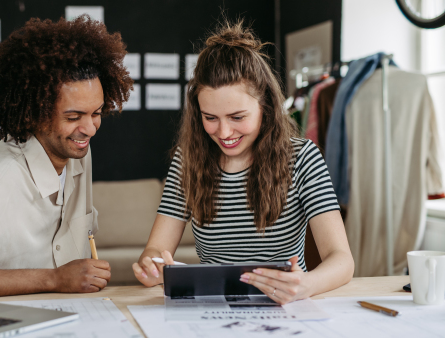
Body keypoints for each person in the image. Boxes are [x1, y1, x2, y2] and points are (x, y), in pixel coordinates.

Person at [132, 21, 354, 304]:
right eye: (210, 118)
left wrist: (306, 285)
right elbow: (156, 248)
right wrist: (152, 266)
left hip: (285, 308)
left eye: (237, 117)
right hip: (212, 307)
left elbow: (342, 260)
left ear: (266, 107)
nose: (224, 133)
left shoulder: (303, 158)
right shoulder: (187, 160)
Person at [0, 16, 133, 297]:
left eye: (96, 113)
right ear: (36, 114)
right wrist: (53, 279)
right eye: (73, 117)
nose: (89, 129)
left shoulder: (79, 152)